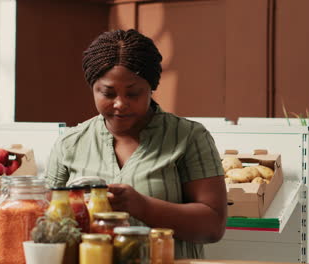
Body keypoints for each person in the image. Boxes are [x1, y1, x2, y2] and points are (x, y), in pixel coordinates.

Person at [45, 29, 227, 259]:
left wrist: (142, 206)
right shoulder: (70, 143)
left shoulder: (188, 137)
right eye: (108, 93)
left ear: (151, 88)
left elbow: (213, 227)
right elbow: (45, 220)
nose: (120, 104)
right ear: (93, 88)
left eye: (133, 94)